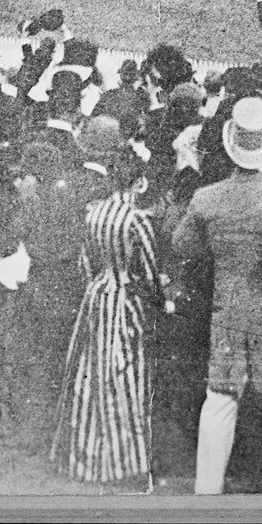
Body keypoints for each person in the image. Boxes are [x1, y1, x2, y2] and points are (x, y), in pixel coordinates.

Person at [171, 97, 262, 495]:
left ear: (231, 143)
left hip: (226, 308)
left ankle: (207, 490)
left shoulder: (207, 198)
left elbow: (182, 246)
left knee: (220, 397)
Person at [50, 123, 167, 486]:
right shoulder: (136, 220)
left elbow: (86, 263)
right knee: (126, 375)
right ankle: (123, 462)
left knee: (90, 373)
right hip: (125, 300)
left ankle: (84, 456)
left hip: (96, 296)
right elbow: (148, 272)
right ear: (139, 183)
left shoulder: (93, 212)